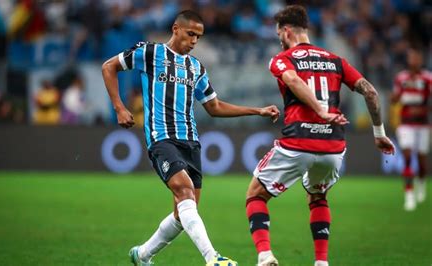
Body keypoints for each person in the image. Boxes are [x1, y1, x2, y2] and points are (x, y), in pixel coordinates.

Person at [101, 10, 279, 266]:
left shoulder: (196, 67)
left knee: (183, 212)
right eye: (191, 34)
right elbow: (109, 67)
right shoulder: (150, 53)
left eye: (199, 36)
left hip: (191, 142)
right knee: (184, 191)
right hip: (161, 138)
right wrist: (119, 107)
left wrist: (258, 110)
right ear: (175, 29)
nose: (195, 41)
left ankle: (142, 255)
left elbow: (214, 106)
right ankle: (212, 258)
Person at [244, 5, 395, 266]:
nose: (279, 38)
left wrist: (320, 110)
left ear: (287, 30)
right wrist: (379, 132)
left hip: (298, 142)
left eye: (279, 33)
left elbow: (292, 80)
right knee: (317, 196)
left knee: (256, 195)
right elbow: (370, 91)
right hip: (332, 147)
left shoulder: (283, 59)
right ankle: (322, 262)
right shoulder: (335, 60)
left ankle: (265, 254)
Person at [390, 47, 431, 211]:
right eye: (411, 58)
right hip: (406, 123)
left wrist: (422, 110)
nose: (413, 61)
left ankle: (421, 182)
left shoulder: (427, 78)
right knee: (407, 155)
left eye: (416, 58)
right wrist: (396, 97)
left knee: (421, 159)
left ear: (420, 60)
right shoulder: (402, 78)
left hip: (423, 124)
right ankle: (409, 195)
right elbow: (394, 99)